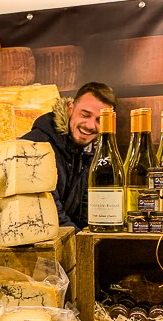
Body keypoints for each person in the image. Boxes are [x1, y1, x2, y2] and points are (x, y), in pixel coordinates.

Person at [23, 82, 117, 230]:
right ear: (70, 109)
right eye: (85, 115)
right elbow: (49, 210)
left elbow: (85, 207)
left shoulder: (89, 151)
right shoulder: (34, 146)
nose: (91, 125)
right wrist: (80, 244)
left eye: (100, 120)